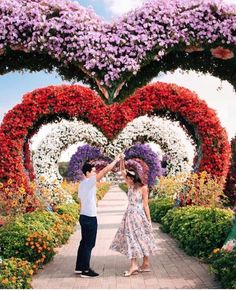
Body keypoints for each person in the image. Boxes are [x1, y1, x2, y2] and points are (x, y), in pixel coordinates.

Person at [110, 154, 158, 277]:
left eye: (130, 178)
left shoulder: (143, 188)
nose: (128, 180)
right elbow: (122, 171)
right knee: (133, 237)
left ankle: (140, 264)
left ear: (135, 178)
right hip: (130, 215)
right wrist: (122, 160)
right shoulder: (130, 185)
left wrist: (149, 219)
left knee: (141, 237)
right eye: (128, 178)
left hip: (138, 215)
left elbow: (146, 205)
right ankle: (139, 264)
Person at [75, 155, 120, 278]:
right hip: (89, 217)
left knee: (84, 242)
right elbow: (105, 171)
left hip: (83, 216)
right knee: (89, 244)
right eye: (94, 171)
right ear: (88, 173)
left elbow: (81, 201)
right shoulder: (89, 182)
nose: (96, 173)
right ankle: (85, 270)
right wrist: (116, 160)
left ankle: (79, 267)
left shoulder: (82, 184)